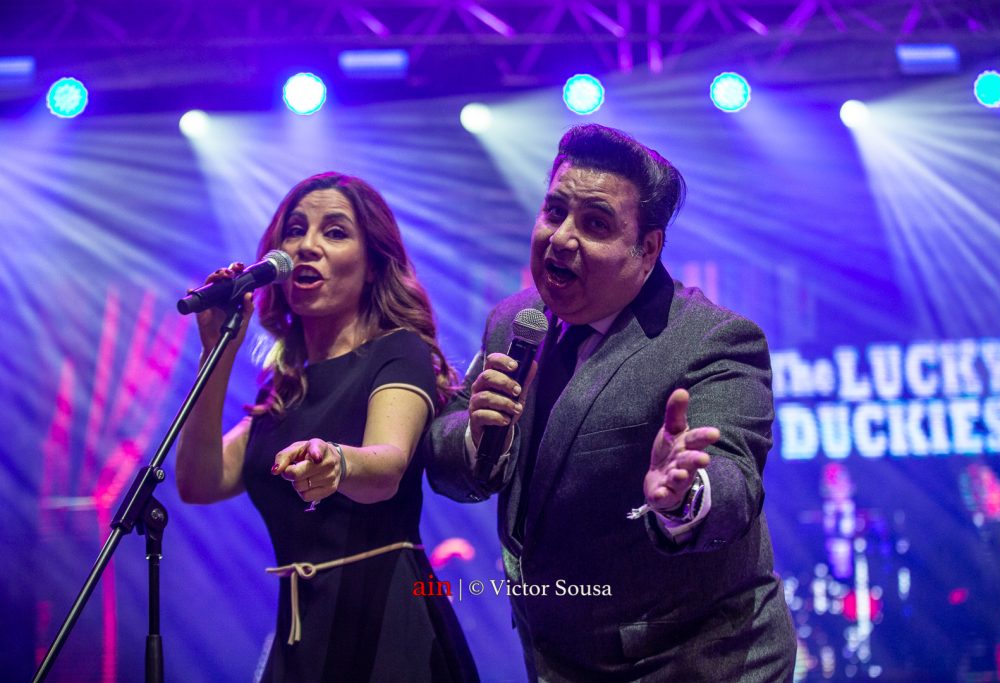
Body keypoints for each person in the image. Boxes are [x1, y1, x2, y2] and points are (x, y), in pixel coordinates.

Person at [428, 125, 796, 680]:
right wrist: (478, 437)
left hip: (690, 662)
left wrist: (684, 495)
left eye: (595, 224)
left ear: (646, 248)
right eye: (555, 211)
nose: (561, 238)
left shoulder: (713, 339)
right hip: (561, 658)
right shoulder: (514, 322)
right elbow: (445, 450)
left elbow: (734, 480)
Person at [176, 172, 478, 682]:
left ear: (373, 264)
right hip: (300, 639)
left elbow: (387, 465)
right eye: (295, 230)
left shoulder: (398, 351)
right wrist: (217, 351)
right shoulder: (284, 392)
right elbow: (198, 481)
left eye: (335, 232)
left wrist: (338, 462)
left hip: (386, 629)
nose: (307, 245)